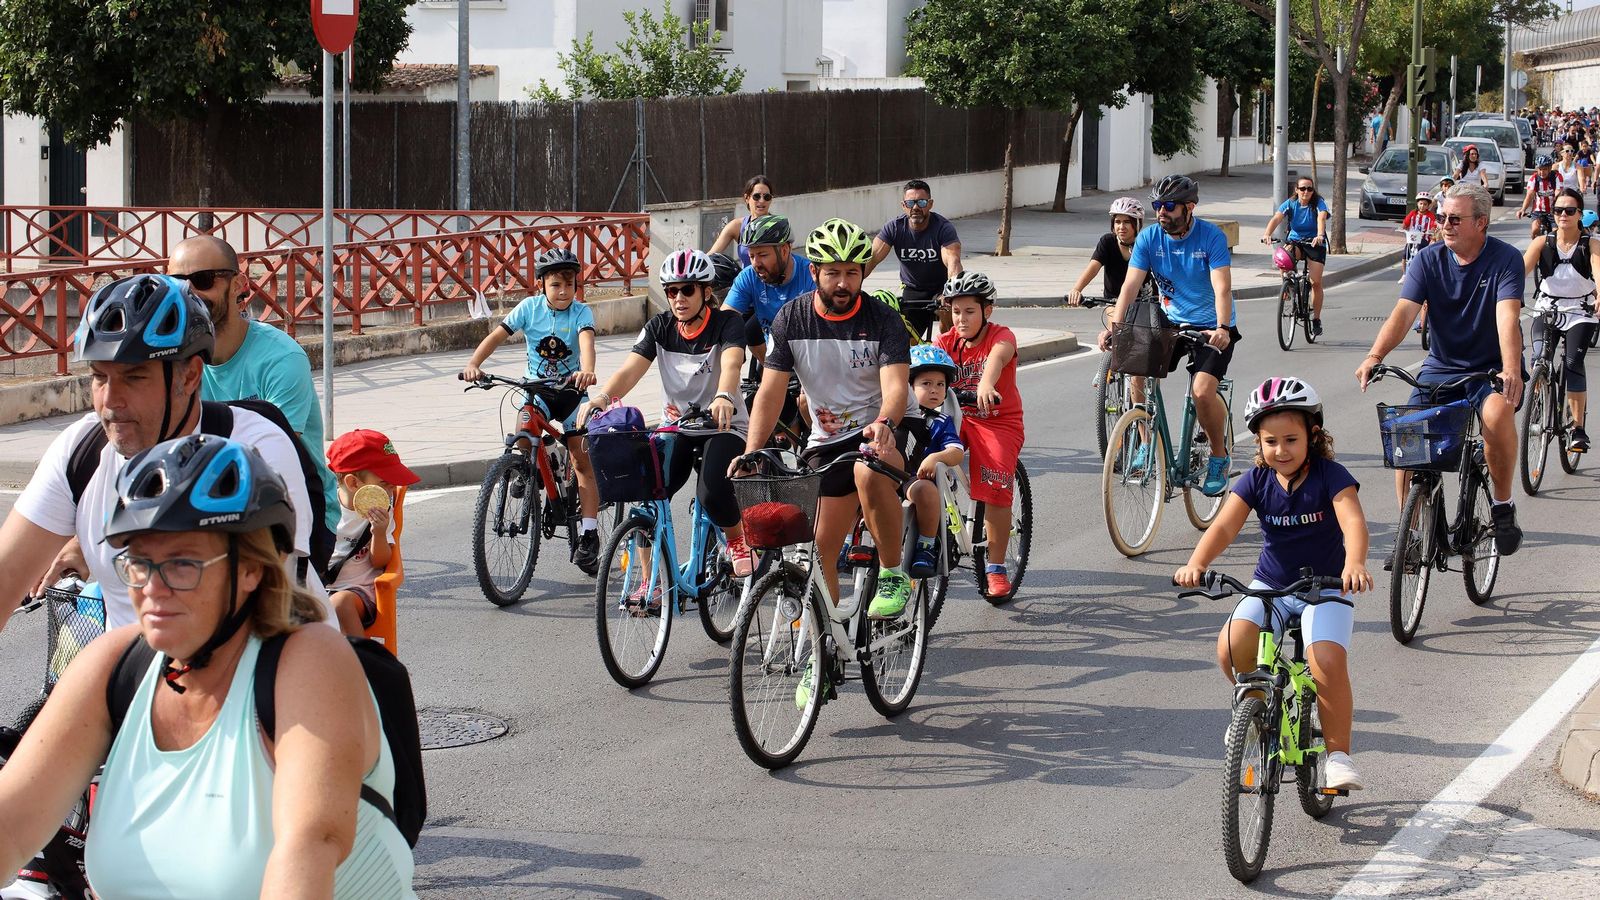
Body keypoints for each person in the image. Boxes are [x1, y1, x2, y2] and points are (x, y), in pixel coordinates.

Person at [0, 435, 416, 897]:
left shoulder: (308, 663)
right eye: (139, 562)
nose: (152, 588)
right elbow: (10, 826)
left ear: (252, 569)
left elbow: (306, 848)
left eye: (181, 564)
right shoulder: (113, 667)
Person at [0, 275, 326, 637]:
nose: (110, 400)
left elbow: (268, 614)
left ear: (189, 377)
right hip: (136, 674)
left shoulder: (253, 450)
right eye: (98, 377)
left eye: (134, 377)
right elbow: (6, 575)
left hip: (256, 668)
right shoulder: (82, 450)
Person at [1173, 377, 1371, 793]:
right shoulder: (1255, 480)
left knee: (1326, 663)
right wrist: (1196, 563)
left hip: (1326, 587)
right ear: (1258, 442)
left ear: (1312, 436)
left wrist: (1354, 563)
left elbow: (1352, 521)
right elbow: (1224, 526)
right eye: (1270, 441)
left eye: (1291, 440)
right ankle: (1257, 711)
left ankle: (1337, 756)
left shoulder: (1331, 476)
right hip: (1270, 585)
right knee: (1230, 646)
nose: (1280, 450)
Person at [734, 217, 915, 632]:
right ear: (813, 271)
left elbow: (895, 388)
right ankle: (825, 649)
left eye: (853, 272)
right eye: (833, 272)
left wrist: (885, 422)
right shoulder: (791, 319)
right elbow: (771, 392)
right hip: (827, 438)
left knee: (867, 471)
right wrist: (751, 450)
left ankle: (891, 573)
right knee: (819, 550)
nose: (843, 283)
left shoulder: (883, 319)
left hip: (881, 429)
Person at [1355, 183, 1525, 555]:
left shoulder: (1506, 259)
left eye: (1454, 219)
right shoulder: (1427, 260)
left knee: (1496, 417)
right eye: (1441, 217)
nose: (1444, 225)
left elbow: (1507, 318)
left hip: (1491, 369)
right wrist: (1375, 355)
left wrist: (1511, 368)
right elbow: (1404, 313)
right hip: (1440, 367)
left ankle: (1501, 505)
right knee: (1407, 435)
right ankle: (1410, 533)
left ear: (1481, 223)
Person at [590, 249, 755, 578]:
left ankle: (738, 541)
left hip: (723, 426)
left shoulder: (728, 323)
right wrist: (604, 397)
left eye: (687, 289)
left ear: (706, 292)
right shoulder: (659, 327)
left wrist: (724, 395)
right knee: (647, 496)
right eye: (671, 291)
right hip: (677, 427)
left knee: (711, 490)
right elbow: (630, 370)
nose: (678, 298)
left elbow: (733, 362)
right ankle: (648, 584)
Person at [173, 236, 340, 535]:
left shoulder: (281, 357)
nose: (189, 293)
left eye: (202, 279)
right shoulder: (174, 358)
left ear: (238, 284)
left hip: (294, 508)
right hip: (209, 503)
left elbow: (274, 454)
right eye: (177, 282)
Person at [461, 247, 603, 575]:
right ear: (541, 285)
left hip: (571, 394)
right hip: (536, 390)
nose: (563, 291)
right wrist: (474, 364)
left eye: (569, 284)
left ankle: (589, 534)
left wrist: (588, 370)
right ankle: (526, 467)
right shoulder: (528, 308)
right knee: (523, 430)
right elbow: (496, 337)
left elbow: (587, 345)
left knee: (582, 461)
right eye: (555, 285)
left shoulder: (581, 313)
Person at [1098, 174, 1240, 497]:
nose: (1161, 212)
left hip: (1211, 326)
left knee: (1202, 393)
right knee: (1136, 368)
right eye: (1157, 206)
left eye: (1169, 206)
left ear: (1189, 208)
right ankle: (1148, 445)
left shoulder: (1211, 238)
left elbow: (1222, 287)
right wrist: (1115, 329)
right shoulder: (1148, 239)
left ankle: (1219, 456)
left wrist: (1221, 328)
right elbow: (1129, 288)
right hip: (1170, 320)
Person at [936, 272, 1026, 598]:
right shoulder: (945, 342)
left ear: (987, 310)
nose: (961, 319)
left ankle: (996, 566)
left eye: (969, 311)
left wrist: (986, 384)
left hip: (997, 422)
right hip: (958, 417)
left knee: (995, 486)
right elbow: (925, 368)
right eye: (956, 311)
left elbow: (996, 359)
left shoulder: (1002, 336)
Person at [324, 429, 421, 638]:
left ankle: (363, 665)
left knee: (340, 605)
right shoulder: (322, 506)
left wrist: (378, 532)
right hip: (319, 587)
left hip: (360, 591)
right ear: (353, 483)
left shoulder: (383, 509)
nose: (390, 490)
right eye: (384, 483)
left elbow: (380, 562)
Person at [1522, 188, 1598, 454]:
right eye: (1558, 211)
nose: (1563, 215)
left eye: (1569, 210)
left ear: (1579, 214)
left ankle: (1578, 428)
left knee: (1572, 362)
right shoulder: (1542, 242)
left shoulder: (1591, 244)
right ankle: (1539, 396)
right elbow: (1520, 271)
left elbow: (1599, 272)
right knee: (1540, 357)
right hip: (1548, 309)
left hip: (1580, 312)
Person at [865, 179, 964, 339]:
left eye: (921, 202)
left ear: (930, 204)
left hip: (941, 289)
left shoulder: (943, 228)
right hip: (913, 290)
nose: (916, 207)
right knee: (905, 339)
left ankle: (949, 349)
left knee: (947, 311)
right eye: (911, 203)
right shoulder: (894, 228)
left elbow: (953, 260)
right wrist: (853, 286)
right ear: (904, 205)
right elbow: (871, 259)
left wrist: (951, 292)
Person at [901, 345, 966, 579]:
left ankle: (926, 546)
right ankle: (851, 541)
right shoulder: (897, 415)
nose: (934, 390)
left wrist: (936, 457)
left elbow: (956, 452)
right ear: (909, 386)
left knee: (925, 491)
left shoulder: (942, 421)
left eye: (940, 384)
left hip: (923, 481)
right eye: (926, 384)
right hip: (892, 477)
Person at [724, 214, 817, 356]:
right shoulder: (748, 276)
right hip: (777, 360)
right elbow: (725, 320)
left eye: (762, 255)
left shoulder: (811, 275)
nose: (756, 263)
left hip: (812, 358)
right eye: (752, 256)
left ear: (784, 251)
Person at [1261, 176, 1330, 335]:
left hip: (1315, 243)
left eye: (1309, 189)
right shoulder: (1291, 203)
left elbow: (1322, 217)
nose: (1306, 192)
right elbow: (1277, 217)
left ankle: (1316, 319)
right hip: (1296, 240)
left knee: (1316, 283)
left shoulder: (1318, 203)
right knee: (1283, 256)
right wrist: (1267, 234)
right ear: (1297, 190)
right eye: (1303, 188)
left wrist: (1320, 235)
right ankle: (1288, 285)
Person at [1067, 198, 1144, 306]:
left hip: (1143, 303)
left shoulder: (1145, 243)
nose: (1121, 227)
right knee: (1115, 322)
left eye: (1127, 222)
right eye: (1117, 222)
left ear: (1137, 224)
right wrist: (1076, 289)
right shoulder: (1108, 242)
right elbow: (1093, 267)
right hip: (1113, 302)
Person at [707, 175, 775, 268]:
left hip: (773, 281)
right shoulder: (736, 226)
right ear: (747, 198)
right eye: (756, 196)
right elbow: (711, 256)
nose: (762, 201)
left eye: (767, 197)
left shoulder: (779, 226)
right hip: (746, 281)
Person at [1400, 192, 1438, 285]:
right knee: (1405, 255)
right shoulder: (1413, 213)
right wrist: (1404, 227)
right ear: (1417, 203)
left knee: (1422, 254)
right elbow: (1406, 222)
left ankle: (1422, 273)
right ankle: (1404, 274)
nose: (1422, 206)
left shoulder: (1430, 215)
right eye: (1420, 203)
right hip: (1412, 238)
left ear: (1428, 205)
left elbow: (1434, 224)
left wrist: (1432, 230)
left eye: (1425, 204)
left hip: (1423, 238)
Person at [1519, 154, 1560, 239]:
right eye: (1540, 169)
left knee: (1556, 234)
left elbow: (1558, 193)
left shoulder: (1556, 177)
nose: (1542, 172)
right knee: (1535, 229)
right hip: (1538, 210)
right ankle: (1535, 247)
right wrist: (1523, 209)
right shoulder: (1534, 178)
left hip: (1553, 211)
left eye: (1545, 169)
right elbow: (1529, 195)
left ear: (1550, 168)